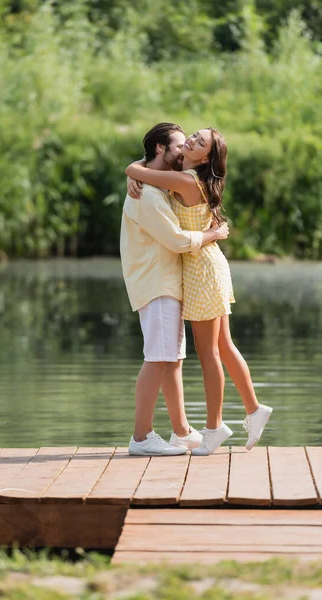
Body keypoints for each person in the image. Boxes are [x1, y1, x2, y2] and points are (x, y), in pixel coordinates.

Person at [126, 127, 273, 455]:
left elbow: (140, 169)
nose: (191, 141)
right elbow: (148, 168)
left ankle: (213, 427)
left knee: (210, 354)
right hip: (208, 266)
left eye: (198, 142)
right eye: (191, 136)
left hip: (202, 269)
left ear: (205, 156)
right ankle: (253, 409)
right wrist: (136, 174)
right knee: (223, 345)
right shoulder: (186, 175)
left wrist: (131, 173)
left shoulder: (186, 181)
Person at [120, 123, 230, 456]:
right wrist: (213, 235)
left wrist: (135, 171)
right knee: (157, 359)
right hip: (156, 284)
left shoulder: (156, 185)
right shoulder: (149, 194)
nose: (184, 151)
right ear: (159, 150)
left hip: (168, 282)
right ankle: (141, 437)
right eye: (179, 146)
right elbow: (177, 240)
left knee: (172, 360)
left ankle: (181, 431)